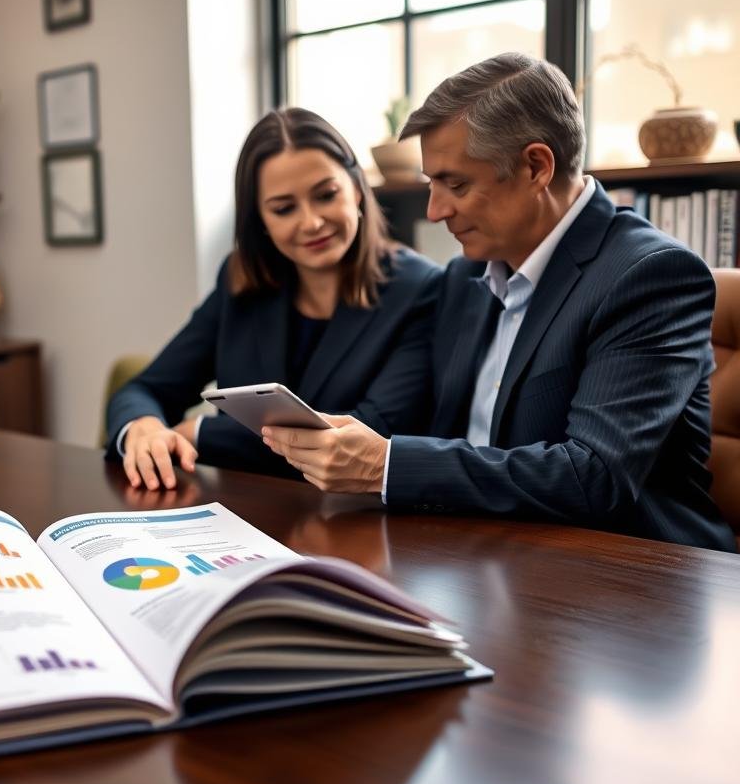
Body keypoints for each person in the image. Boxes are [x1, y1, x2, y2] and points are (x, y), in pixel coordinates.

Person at [262, 53, 734, 552]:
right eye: (432, 184)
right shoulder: (464, 276)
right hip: (482, 554)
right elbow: (418, 426)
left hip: (630, 575)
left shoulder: (651, 276)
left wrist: (386, 464)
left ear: (536, 166)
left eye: (456, 184)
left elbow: (595, 478)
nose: (435, 210)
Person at [106, 107, 442, 491]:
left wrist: (199, 432)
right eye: (284, 208)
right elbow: (145, 389)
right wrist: (142, 426)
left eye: (326, 195)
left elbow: (365, 435)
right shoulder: (241, 283)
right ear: (260, 220)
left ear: (356, 188)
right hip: (246, 516)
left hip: (358, 526)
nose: (311, 222)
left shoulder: (420, 288)